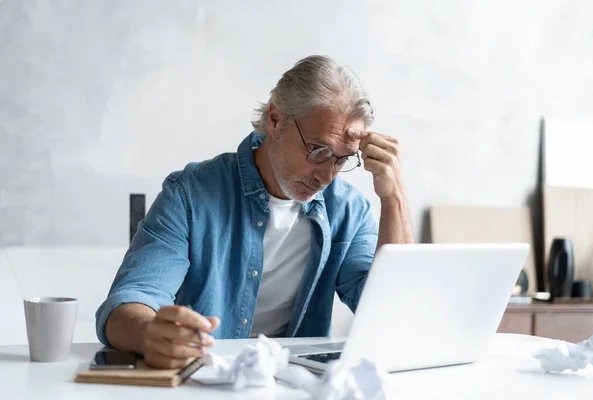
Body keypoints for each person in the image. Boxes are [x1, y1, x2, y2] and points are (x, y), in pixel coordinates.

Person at [96, 55, 414, 369]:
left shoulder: (348, 210)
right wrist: (148, 333)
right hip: (210, 381)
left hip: (301, 387)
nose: (327, 176)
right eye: (318, 150)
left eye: (342, 159)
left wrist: (394, 197)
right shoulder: (190, 193)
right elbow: (130, 299)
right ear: (275, 119)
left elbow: (395, 318)